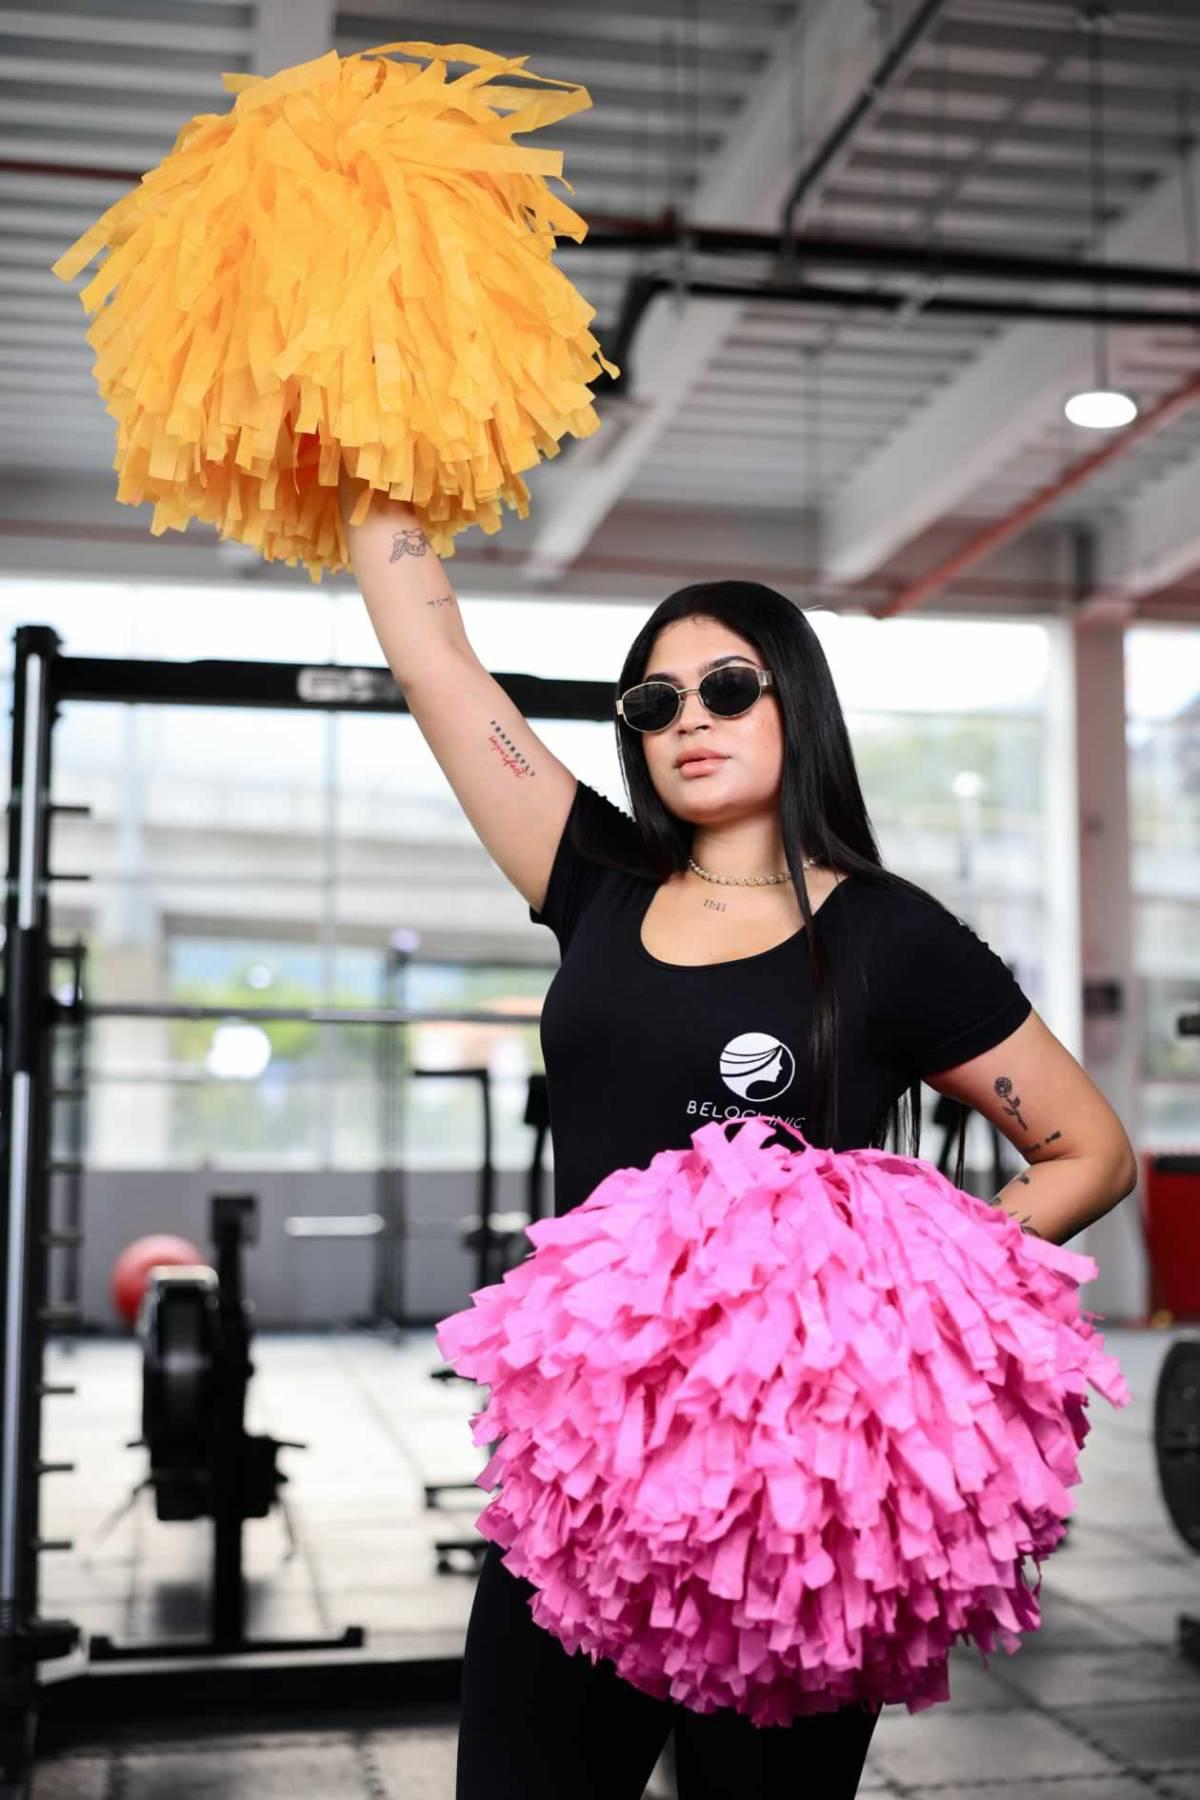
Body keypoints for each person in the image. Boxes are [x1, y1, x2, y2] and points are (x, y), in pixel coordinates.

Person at [341, 480, 1137, 1799]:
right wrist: (381, 472)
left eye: (727, 687)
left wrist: (904, 1308)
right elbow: (438, 666)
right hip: (584, 1490)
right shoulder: (592, 879)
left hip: (792, 1513)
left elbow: (1088, 1153)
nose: (685, 720)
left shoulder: (891, 937)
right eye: (652, 703)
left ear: (797, 706)